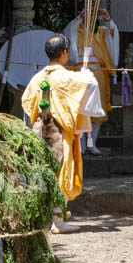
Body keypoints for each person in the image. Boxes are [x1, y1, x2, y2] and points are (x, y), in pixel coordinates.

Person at [21, 34, 102, 234]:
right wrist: (86, 75)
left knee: (43, 172)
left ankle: (49, 219)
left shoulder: (38, 77)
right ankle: (57, 220)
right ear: (64, 53)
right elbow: (90, 86)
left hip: (39, 128)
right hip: (59, 130)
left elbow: (26, 102)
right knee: (61, 172)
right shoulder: (66, 76)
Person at [65, 7, 119, 155]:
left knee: (97, 109)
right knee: (81, 109)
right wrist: (78, 19)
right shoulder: (75, 29)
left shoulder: (101, 31)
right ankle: (81, 144)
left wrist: (107, 19)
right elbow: (68, 34)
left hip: (98, 73)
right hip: (79, 72)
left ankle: (92, 143)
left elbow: (112, 34)